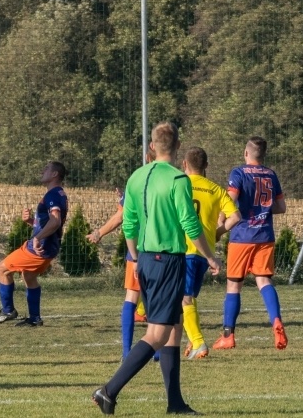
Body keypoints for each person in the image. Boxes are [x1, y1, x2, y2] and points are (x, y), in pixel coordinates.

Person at [92, 122, 222, 416]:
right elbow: (190, 224)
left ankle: (175, 403)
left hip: (147, 260)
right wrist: (211, 258)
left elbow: (129, 224)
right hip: (169, 262)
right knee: (157, 334)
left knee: (174, 330)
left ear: (152, 147)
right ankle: (108, 391)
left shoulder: (136, 177)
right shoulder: (178, 179)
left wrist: (135, 258)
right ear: (177, 148)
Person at [214, 136, 288, 351]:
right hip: (265, 236)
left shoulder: (238, 173)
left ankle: (228, 335)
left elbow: (230, 201)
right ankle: (276, 321)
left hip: (242, 237)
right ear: (263, 155)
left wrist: (220, 223)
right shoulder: (271, 174)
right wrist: (262, 209)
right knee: (264, 282)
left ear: (246, 153)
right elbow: (281, 207)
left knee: (234, 286)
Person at [86, 151, 154, 360]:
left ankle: (127, 352)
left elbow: (121, 217)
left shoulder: (136, 180)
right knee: (158, 299)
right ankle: (159, 351)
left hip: (140, 248)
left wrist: (99, 233)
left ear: (146, 157)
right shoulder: (173, 177)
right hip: (165, 247)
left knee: (132, 297)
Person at [0, 161, 68, 327]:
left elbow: (55, 222)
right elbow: (49, 223)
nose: (42, 170)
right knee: (29, 276)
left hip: (39, 247)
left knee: (2, 269)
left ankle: (8, 310)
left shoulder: (53, 195)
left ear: (54, 174)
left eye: (46, 169)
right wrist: (31, 221)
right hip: (48, 246)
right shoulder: (58, 194)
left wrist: (37, 238)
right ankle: (34, 318)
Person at [181, 147, 240, 360]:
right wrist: (216, 233)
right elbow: (235, 217)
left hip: (184, 248)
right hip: (204, 252)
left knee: (184, 298)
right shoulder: (216, 190)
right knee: (190, 297)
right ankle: (191, 338)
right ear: (206, 166)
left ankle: (198, 342)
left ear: (184, 164)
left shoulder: (180, 184)